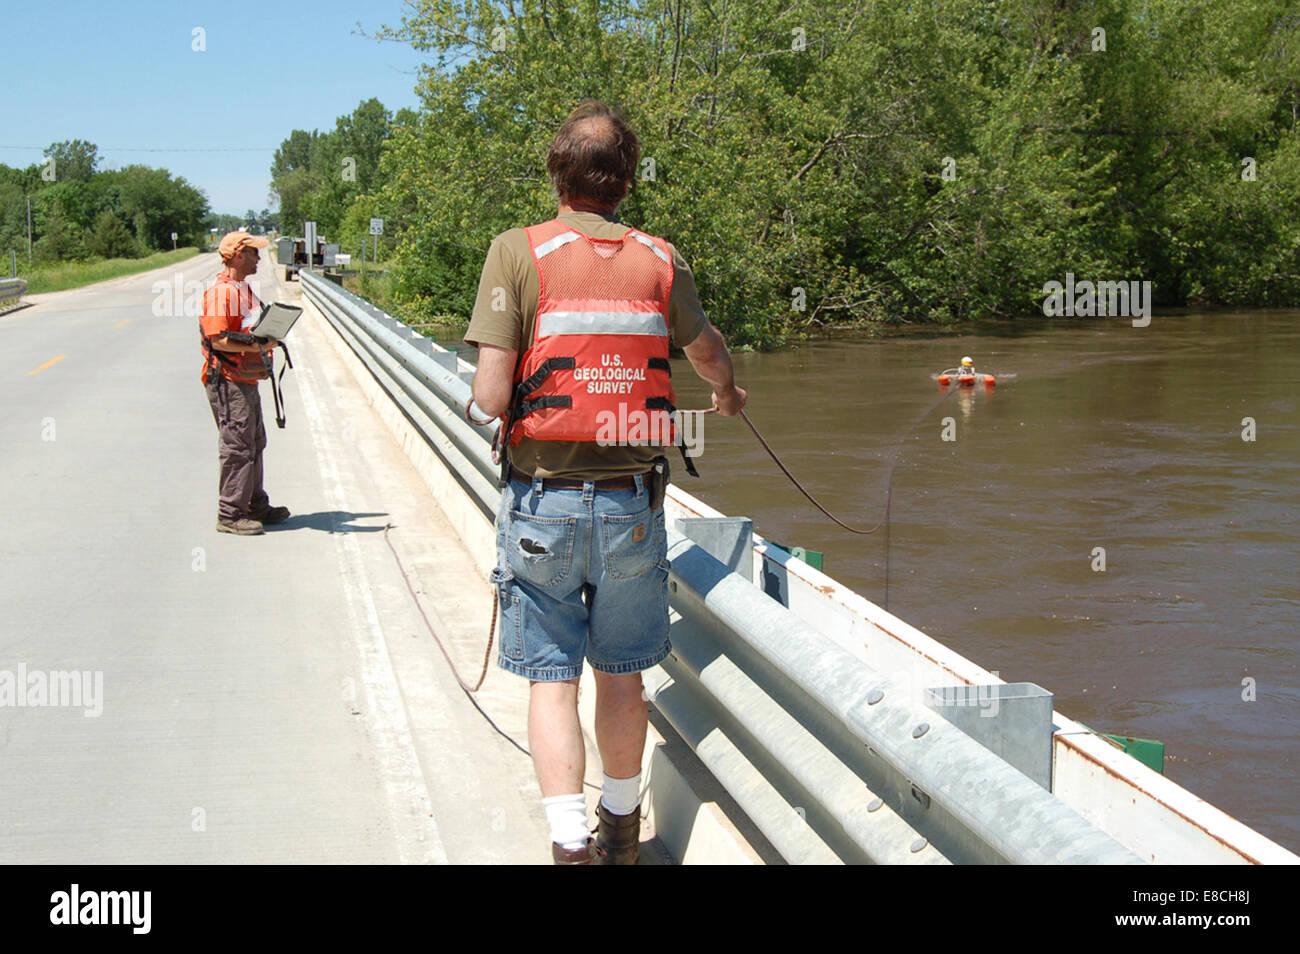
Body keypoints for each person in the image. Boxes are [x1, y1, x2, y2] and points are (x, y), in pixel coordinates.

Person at [465, 101, 747, 864]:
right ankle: (622, 827)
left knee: (551, 678)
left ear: (558, 173)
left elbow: (491, 398)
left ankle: (569, 846)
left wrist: (492, 399)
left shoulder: (515, 252)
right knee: (621, 673)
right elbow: (707, 347)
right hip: (630, 506)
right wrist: (726, 394)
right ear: (625, 183)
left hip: (541, 507)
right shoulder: (660, 259)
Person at [200, 231, 291, 535]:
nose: (259, 258)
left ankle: (254, 504)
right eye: (254, 252)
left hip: (245, 379)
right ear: (238, 255)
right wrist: (258, 346)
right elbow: (218, 340)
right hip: (228, 381)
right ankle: (230, 514)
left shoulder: (241, 289)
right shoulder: (221, 293)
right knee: (237, 447)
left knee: (254, 442)